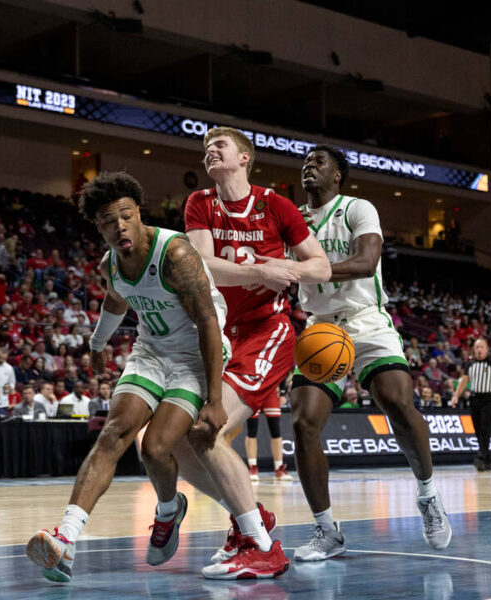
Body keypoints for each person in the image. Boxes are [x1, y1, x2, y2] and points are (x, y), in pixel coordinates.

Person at [26, 171, 288, 582]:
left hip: (195, 355)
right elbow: (116, 298)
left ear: (138, 212)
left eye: (126, 216)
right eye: (108, 222)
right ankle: (66, 538)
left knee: (156, 447)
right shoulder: (111, 263)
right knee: (114, 433)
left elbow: (206, 323)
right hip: (150, 352)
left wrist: (216, 400)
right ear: (98, 226)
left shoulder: (176, 254)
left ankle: (172, 512)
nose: (119, 227)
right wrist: (97, 345)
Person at [287, 145, 452, 561]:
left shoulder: (357, 208)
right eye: (305, 161)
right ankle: (327, 531)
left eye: (319, 161)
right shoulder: (293, 220)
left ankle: (428, 495)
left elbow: (366, 261)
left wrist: (308, 269)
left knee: (397, 401)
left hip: (365, 319)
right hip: (321, 327)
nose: (309, 166)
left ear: (339, 175)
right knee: (304, 423)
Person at [180, 127, 330, 574]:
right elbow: (201, 264)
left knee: (206, 430)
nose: (210, 151)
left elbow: (320, 265)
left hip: (267, 330)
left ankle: (263, 548)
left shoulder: (276, 205)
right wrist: (262, 270)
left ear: (244, 158)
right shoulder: (200, 202)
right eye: (206, 147)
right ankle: (250, 520)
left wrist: (288, 269)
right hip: (220, 336)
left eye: (220, 146)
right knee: (176, 444)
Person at [451, 338, 491, 472]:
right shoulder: (470, 364)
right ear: (474, 349)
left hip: (489, 399)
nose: (479, 349)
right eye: (477, 347)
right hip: (474, 399)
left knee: (485, 428)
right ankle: (487, 460)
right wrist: (456, 396)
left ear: (486, 349)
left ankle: (480, 456)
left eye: (482, 347)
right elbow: (463, 382)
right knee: (478, 430)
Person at [244, 403, 292, 482]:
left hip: (270, 393)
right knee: (252, 429)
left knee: (275, 430)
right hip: (253, 393)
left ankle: (279, 468)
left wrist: (283, 392)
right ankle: (252, 467)